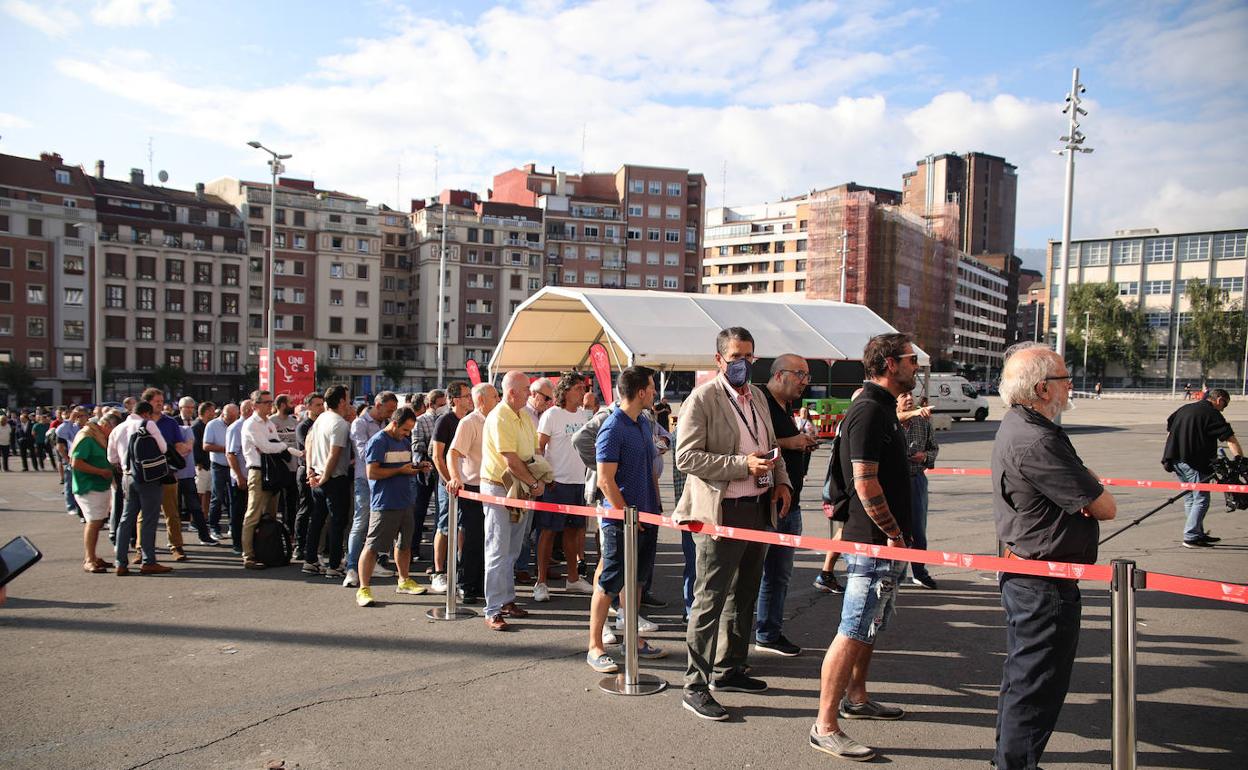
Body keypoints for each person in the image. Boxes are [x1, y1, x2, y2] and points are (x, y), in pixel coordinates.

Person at [991, 342, 1117, 769]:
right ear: (1043, 388)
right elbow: (1104, 505)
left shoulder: (1023, 424)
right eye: (1064, 378)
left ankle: (1009, 759)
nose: (1071, 385)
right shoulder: (1036, 438)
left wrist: (1085, 487)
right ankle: (1015, 764)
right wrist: (1088, 488)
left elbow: (1086, 492)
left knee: (1024, 677)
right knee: (1037, 683)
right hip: (1040, 581)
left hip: (1030, 571)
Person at [675, 326, 791, 722]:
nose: (743, 364)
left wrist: (781, 482)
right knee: (710, 599)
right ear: (719, 359)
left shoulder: (757, 396)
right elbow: (686, 458)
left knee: (745, 593)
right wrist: (742, 465)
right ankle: (694, 684)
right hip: (722, 511)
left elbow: (772, 447)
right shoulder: (703, 398)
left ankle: (731, 668)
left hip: (758, 507)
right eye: (736, 357)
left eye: (749, 357)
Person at [811, 333, 917, 761]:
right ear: (890, 364)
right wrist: (892, 532)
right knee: (853, 629)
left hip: (882, 543)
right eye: (910, 359)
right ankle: (825, 725)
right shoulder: (869, 410)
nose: (915, 366)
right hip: (873, 543)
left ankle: (856, 698)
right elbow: (864, 480)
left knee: (869, 626)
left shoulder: (884, 408)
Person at [586, 366, 668, 673]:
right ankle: (595, 646)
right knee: (610, 582)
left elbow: (649, 470)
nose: (655, 393)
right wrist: (626, 516)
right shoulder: (612, 427)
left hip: (647, 516)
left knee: (636, 582)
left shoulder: (643, 424)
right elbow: (605, 480)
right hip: (621, 521)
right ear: (642, 392)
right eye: (652, 387)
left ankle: (632, 640)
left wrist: (655, 509)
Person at [754, 354, 818, 657]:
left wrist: (801, 440)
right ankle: (755, 635)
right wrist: (791, 443)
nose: (805, 382)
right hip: (766, 502)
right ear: (780, 375)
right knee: (757, 574)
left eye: (807, 377)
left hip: (791, 500)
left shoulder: (785, 404)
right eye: (801, 375)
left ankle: (769, 632)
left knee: (780, 573)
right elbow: (750, 444)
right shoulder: (758, 399)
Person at [480, 371, 546, 631]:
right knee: (497, 550)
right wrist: (534, 482)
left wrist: (538, 479)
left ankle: (506, 600)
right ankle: (493, 609)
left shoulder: (524, 417)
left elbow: (534, 452)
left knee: (511, 550)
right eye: (527, 389)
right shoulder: (499, 417)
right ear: (512, 392)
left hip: (519, 487)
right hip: (500, 487)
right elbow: (510, 459)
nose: (531, 394)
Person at [356, 406, 429, 606]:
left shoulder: (404, 441)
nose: (407, 434)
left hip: (405, 501)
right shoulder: (378, 442)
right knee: (372, 546)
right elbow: (373, 473)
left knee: (404, 544)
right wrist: (401, 470)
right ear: (394, 423)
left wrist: (417, 467)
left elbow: (404, 468)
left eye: (410, 431)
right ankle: (363, 588)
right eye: (405, 429)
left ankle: (404, 580)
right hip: (384, 503)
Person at [534, 373, 595, 601]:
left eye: (583, 387)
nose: (583, 391)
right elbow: (538, 447)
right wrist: (544, 477)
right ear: (566, 391)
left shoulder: (583, 416)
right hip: (555, 484)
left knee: (573, 532)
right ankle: (540, 582)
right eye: (579, 388)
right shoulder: (552, 415)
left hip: (578, 483)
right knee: (547, 533)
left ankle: (573, 579)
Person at [1161, 387, 1241, 547]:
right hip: (1194, 462)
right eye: (1225, 404)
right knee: (1202, 499)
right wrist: (1240, 459)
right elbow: (1230, 439)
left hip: (1175, 459)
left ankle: (1197, 533)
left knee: (1190, 498)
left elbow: (1169, 431)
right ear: (1219, 400)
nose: (1224, 409)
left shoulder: (1185, 408)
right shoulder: (1212, 414)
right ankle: (1191, 535)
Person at [447, 382, 500, 605]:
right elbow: (453, 453)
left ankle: (481, 584)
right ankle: (466, 585)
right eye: (494, 396)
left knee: (490, 540)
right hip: (473, 489)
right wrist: (455, 477)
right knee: (473, 540)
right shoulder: (469, 423)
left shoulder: (497, 420)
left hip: (494, 487)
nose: (498, 400)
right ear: (481, 401)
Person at [107, 400, 171, 575]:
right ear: (147, 413)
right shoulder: (147, 424)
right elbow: (163, 448)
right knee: (149, 519)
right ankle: (148, 560)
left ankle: (120, 562)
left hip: (127, 477)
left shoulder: (117, 429)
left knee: (126, 519)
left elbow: (111, 458)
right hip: (148, 477)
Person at [240, 390, 299, 569]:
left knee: (271, 514)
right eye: (265, 402)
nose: (269, 405)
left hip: (272, 471)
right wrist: (280, 446)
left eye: (270, 402)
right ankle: (248, 555)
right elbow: (266, 446)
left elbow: (274, 443)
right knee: (253, 514)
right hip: (258, 472)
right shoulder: (251, 424)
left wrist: (285, 448)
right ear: (255, 405)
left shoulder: (269, 423)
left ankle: (267, 551)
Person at [346, 392, 398, 587]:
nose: (391, 414)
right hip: (365, 479)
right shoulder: (360, 424)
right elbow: (363, 452)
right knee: (361, 523)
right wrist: (385, 444)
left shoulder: (385, 424)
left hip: (383, 480)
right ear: (378, 405)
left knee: (376, 525)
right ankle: (351, 567)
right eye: (389, 409)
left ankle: (371, 561)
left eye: (394, 410)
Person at [305, 386, 355, 579]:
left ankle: (310, 560)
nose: (349, 402)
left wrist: (311, 471)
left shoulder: (321, 419)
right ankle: (334, 565)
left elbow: (308, 444)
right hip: (333, 478)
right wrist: (324, 476)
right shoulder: (339, 424)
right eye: (348, 398)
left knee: (317, 519)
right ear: (341, 401)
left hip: (317, 475)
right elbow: (334, 454)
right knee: (337, 522)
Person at [430, 382, 473, 593]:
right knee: (445, 527)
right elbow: (437, 456)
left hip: (467, 484)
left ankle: (459, 570)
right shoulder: (444, 421)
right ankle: (439, 573)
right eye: (466, 396)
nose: (470, 399)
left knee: (463, 527)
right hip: (448, 485)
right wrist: (449, 480)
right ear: (455, 400)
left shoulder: (469, 420)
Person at [141, 389, 191, 564]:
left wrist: (182, 448)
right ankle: (142, 549)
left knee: (172, 512)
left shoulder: (170, 422)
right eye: (157, 401)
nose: (160, 404)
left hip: (167, 472)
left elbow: (178, 443)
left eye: (162, 401)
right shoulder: (139, 422)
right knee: (144, 514)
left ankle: (176, 546)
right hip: (145, 475)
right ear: (147, 402)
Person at [71, 412, 122, 572]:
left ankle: (92, 556)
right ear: (106, 426)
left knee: (97, 521)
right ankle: (89, 559)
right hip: (89, 486)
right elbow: (76, 462)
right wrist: (100, 471)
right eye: (113, 431)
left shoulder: (98, 436)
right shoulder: (87, 437)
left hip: (100, 485)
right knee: (93, 522)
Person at [898, 392, 939, 589]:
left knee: (918, 531)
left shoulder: (923, 423)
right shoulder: (889, 420)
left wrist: (924, 457)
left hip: (916, 481)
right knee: (894, 530)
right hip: (893, 482)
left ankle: (919, 572)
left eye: (910, 395)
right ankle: (894, 573)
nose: (908, 398)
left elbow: (934, 449)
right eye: (903, 395)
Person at [411, 388, 448, 562]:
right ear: (430, 405)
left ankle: (437, 555)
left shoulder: (447, 419)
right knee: (419, 512)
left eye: (445, 404)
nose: (443, 407)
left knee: (441, 513)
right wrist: (433, 449)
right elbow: (416, 444)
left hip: (442, 470)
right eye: (440, 405)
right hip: (425, 470)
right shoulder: (420, 421)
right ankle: (413, 549)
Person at [293, 392, 325, 563]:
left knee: (318, 511)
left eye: (322, 404)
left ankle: (315, 546)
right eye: (317, 405)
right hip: (306, 470)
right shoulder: (304, 426)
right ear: (308, 407)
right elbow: (308, 451)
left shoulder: (323, 424)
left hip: (320, 472)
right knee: (305, 509)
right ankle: (299, 545)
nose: (321, 407)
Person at [204, 404, 237, 543]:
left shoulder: (237, 425)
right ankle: (214, 527)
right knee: (217, 496)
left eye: (234, 418)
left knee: (234, 496)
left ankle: (233, 525)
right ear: (223, 414)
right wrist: (226, 449)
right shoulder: (212, 425)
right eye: (229, 418)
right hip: (219, 465)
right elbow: (206, 445)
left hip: (234, 464)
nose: (231, 421)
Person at [226, 399, 254, 555]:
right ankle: (237, 543)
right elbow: (231, 454)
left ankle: (248, 542)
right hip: (241, 476)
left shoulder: (254, 425)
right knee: (238, 511)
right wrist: (239, 476)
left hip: (252, 475)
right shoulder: (236, 428)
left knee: (249, 511)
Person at [189, 401, 217, 542]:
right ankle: (195, 521)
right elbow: (195, 446)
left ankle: (204, 517)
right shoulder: (197, 426)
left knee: (207, 493)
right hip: (201, 466)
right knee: (199, 494)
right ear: (206, 411)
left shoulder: (208, 425)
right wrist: (198, 462)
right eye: (212, 410)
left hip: (209, 464)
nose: (214, 413)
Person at [55, 407, 87, 518]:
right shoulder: (71, 428)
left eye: (82, 416)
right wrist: (70, 419)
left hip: (88, 459)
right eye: (78, 416)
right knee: (70, 484)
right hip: (74, 459)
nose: (80, 418)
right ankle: (71, 506)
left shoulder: (90, 427)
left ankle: (82, 507)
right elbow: (59, 432)